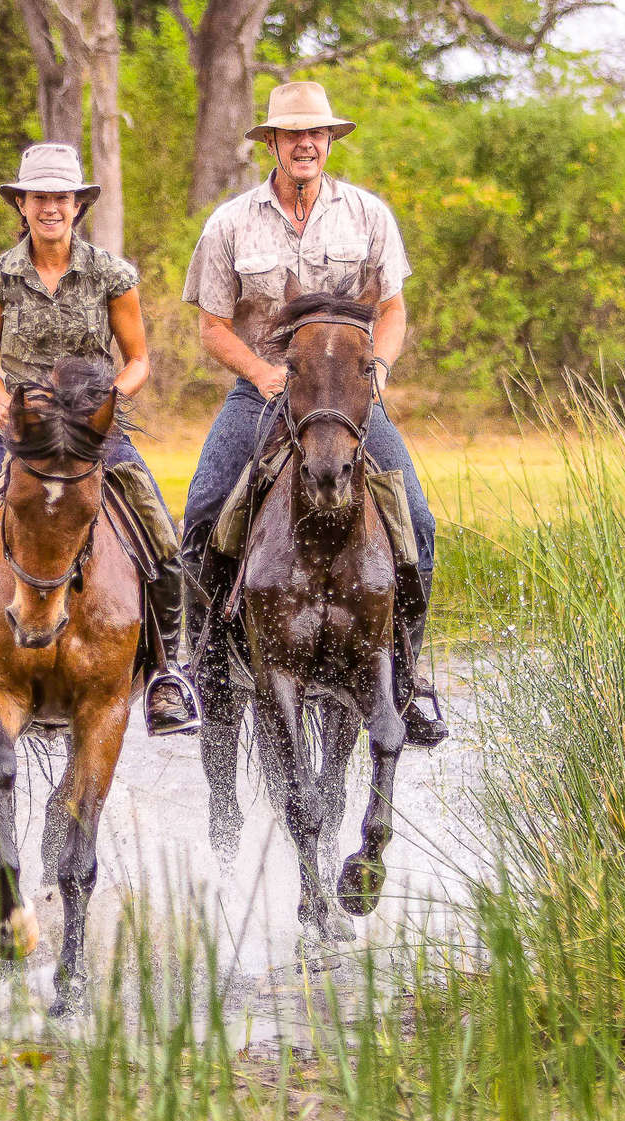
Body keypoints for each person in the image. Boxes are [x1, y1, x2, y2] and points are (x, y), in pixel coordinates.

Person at [0, 143, 198, 737]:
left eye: (62, 198)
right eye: (40, 197)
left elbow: (140, 359)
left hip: (93, 431)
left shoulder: (112, 275)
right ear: (22, 204)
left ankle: (169, 673)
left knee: (158, 530)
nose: (51, 207)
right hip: (20, 430)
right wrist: (6, 409)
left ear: (77, 205)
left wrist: (107, 403)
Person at [179, 82, 448, 745]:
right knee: (204, 509)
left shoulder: (368, 214)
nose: (306, 144)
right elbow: (213, 328)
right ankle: (199, 666)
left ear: (330, 141)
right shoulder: (231, 223)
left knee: (417, 519)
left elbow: (393, 309)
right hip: (263, 395)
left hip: (348, 401)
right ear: (270, 142)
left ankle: (408, 681)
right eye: (293, 134)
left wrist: (376, 371)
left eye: (317, 134)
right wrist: (264, 372)